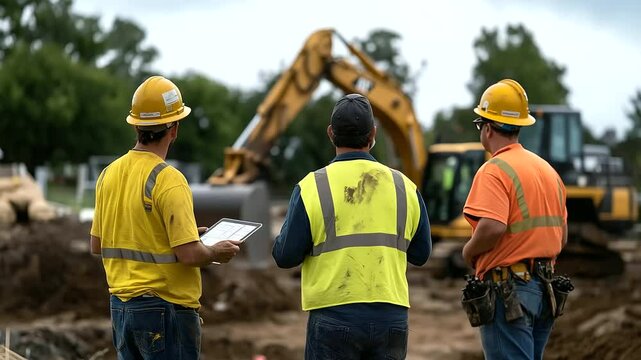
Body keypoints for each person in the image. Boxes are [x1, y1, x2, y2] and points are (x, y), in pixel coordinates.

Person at [90, 75, 242, 359]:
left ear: (136, 125)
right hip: (165, 311)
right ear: (174, 129)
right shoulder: (168, 179)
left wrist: (179, 234)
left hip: (121, 308)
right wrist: (214, 251)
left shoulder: (107, 174)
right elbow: (188, 255)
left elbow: (97, 245)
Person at [272, 93, 432, 360]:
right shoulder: (405, 187)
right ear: (373, 134)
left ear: (331, 133)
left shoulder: (312, 186)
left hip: (334, 315)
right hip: (391, 316)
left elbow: (285, 256)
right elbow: (421, 254)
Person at [461, 79, 568, 360]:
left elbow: (493, 227)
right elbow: (562, 235)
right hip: (545, 290)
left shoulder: (494, 170)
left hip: (509, 292)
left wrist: (469, 252)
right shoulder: (548, 171)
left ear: (486, 128)